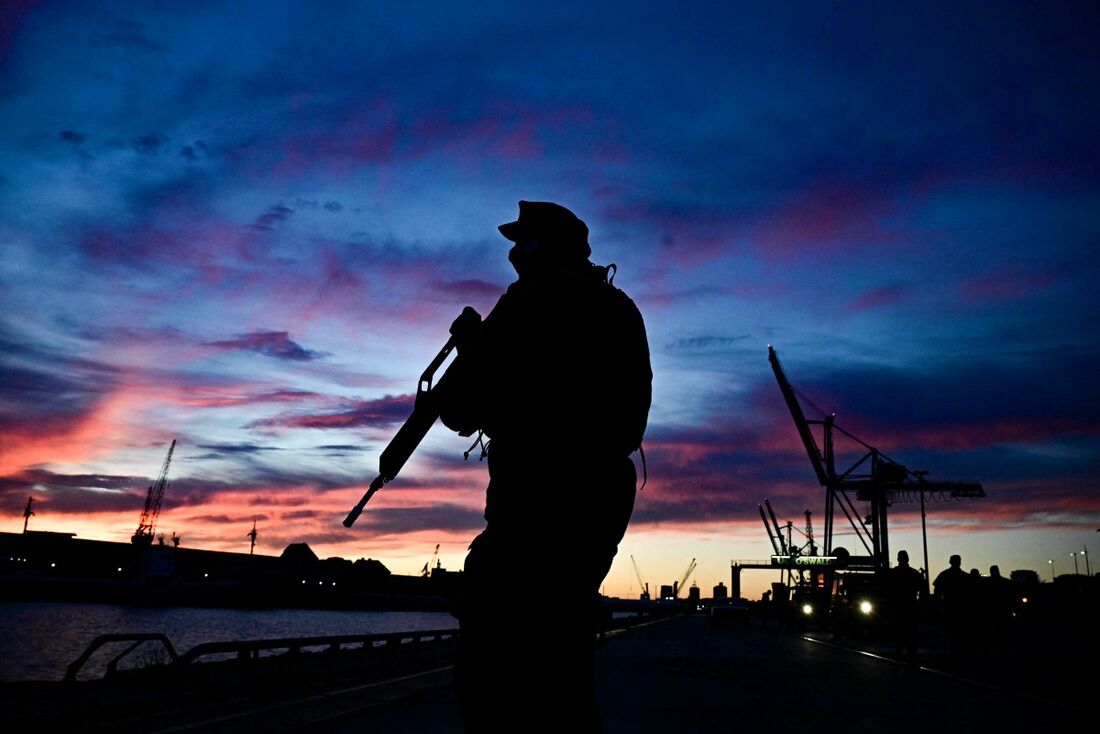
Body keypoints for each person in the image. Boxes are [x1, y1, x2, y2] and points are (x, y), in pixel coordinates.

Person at [435, 200, 652, 732]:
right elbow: (630, 422)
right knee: (563, 675)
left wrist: (472, 350)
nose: (513, 254)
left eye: (523, 243)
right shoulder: (619, 310)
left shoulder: (529, 305)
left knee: (491, 677)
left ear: (544, 249)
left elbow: (461, 410)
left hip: (532, 513)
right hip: (595, 513)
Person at [888, 550, 924, 665]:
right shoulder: (914, 573)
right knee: (911, 634)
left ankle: (899, 656)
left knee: (899, 634)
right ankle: (911, 657)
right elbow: (923, 589)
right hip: (910, 607)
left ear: (898, 559)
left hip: (898, 607)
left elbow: (885, 589)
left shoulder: (893, 573)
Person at [933, 554, 971, 659]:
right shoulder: (965, 577)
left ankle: (954, 653)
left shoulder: (944, 575)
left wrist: (938, 606)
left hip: (949, 607)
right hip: (961, 609)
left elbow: (937, 593)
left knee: (951, 633)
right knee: (961, 632)